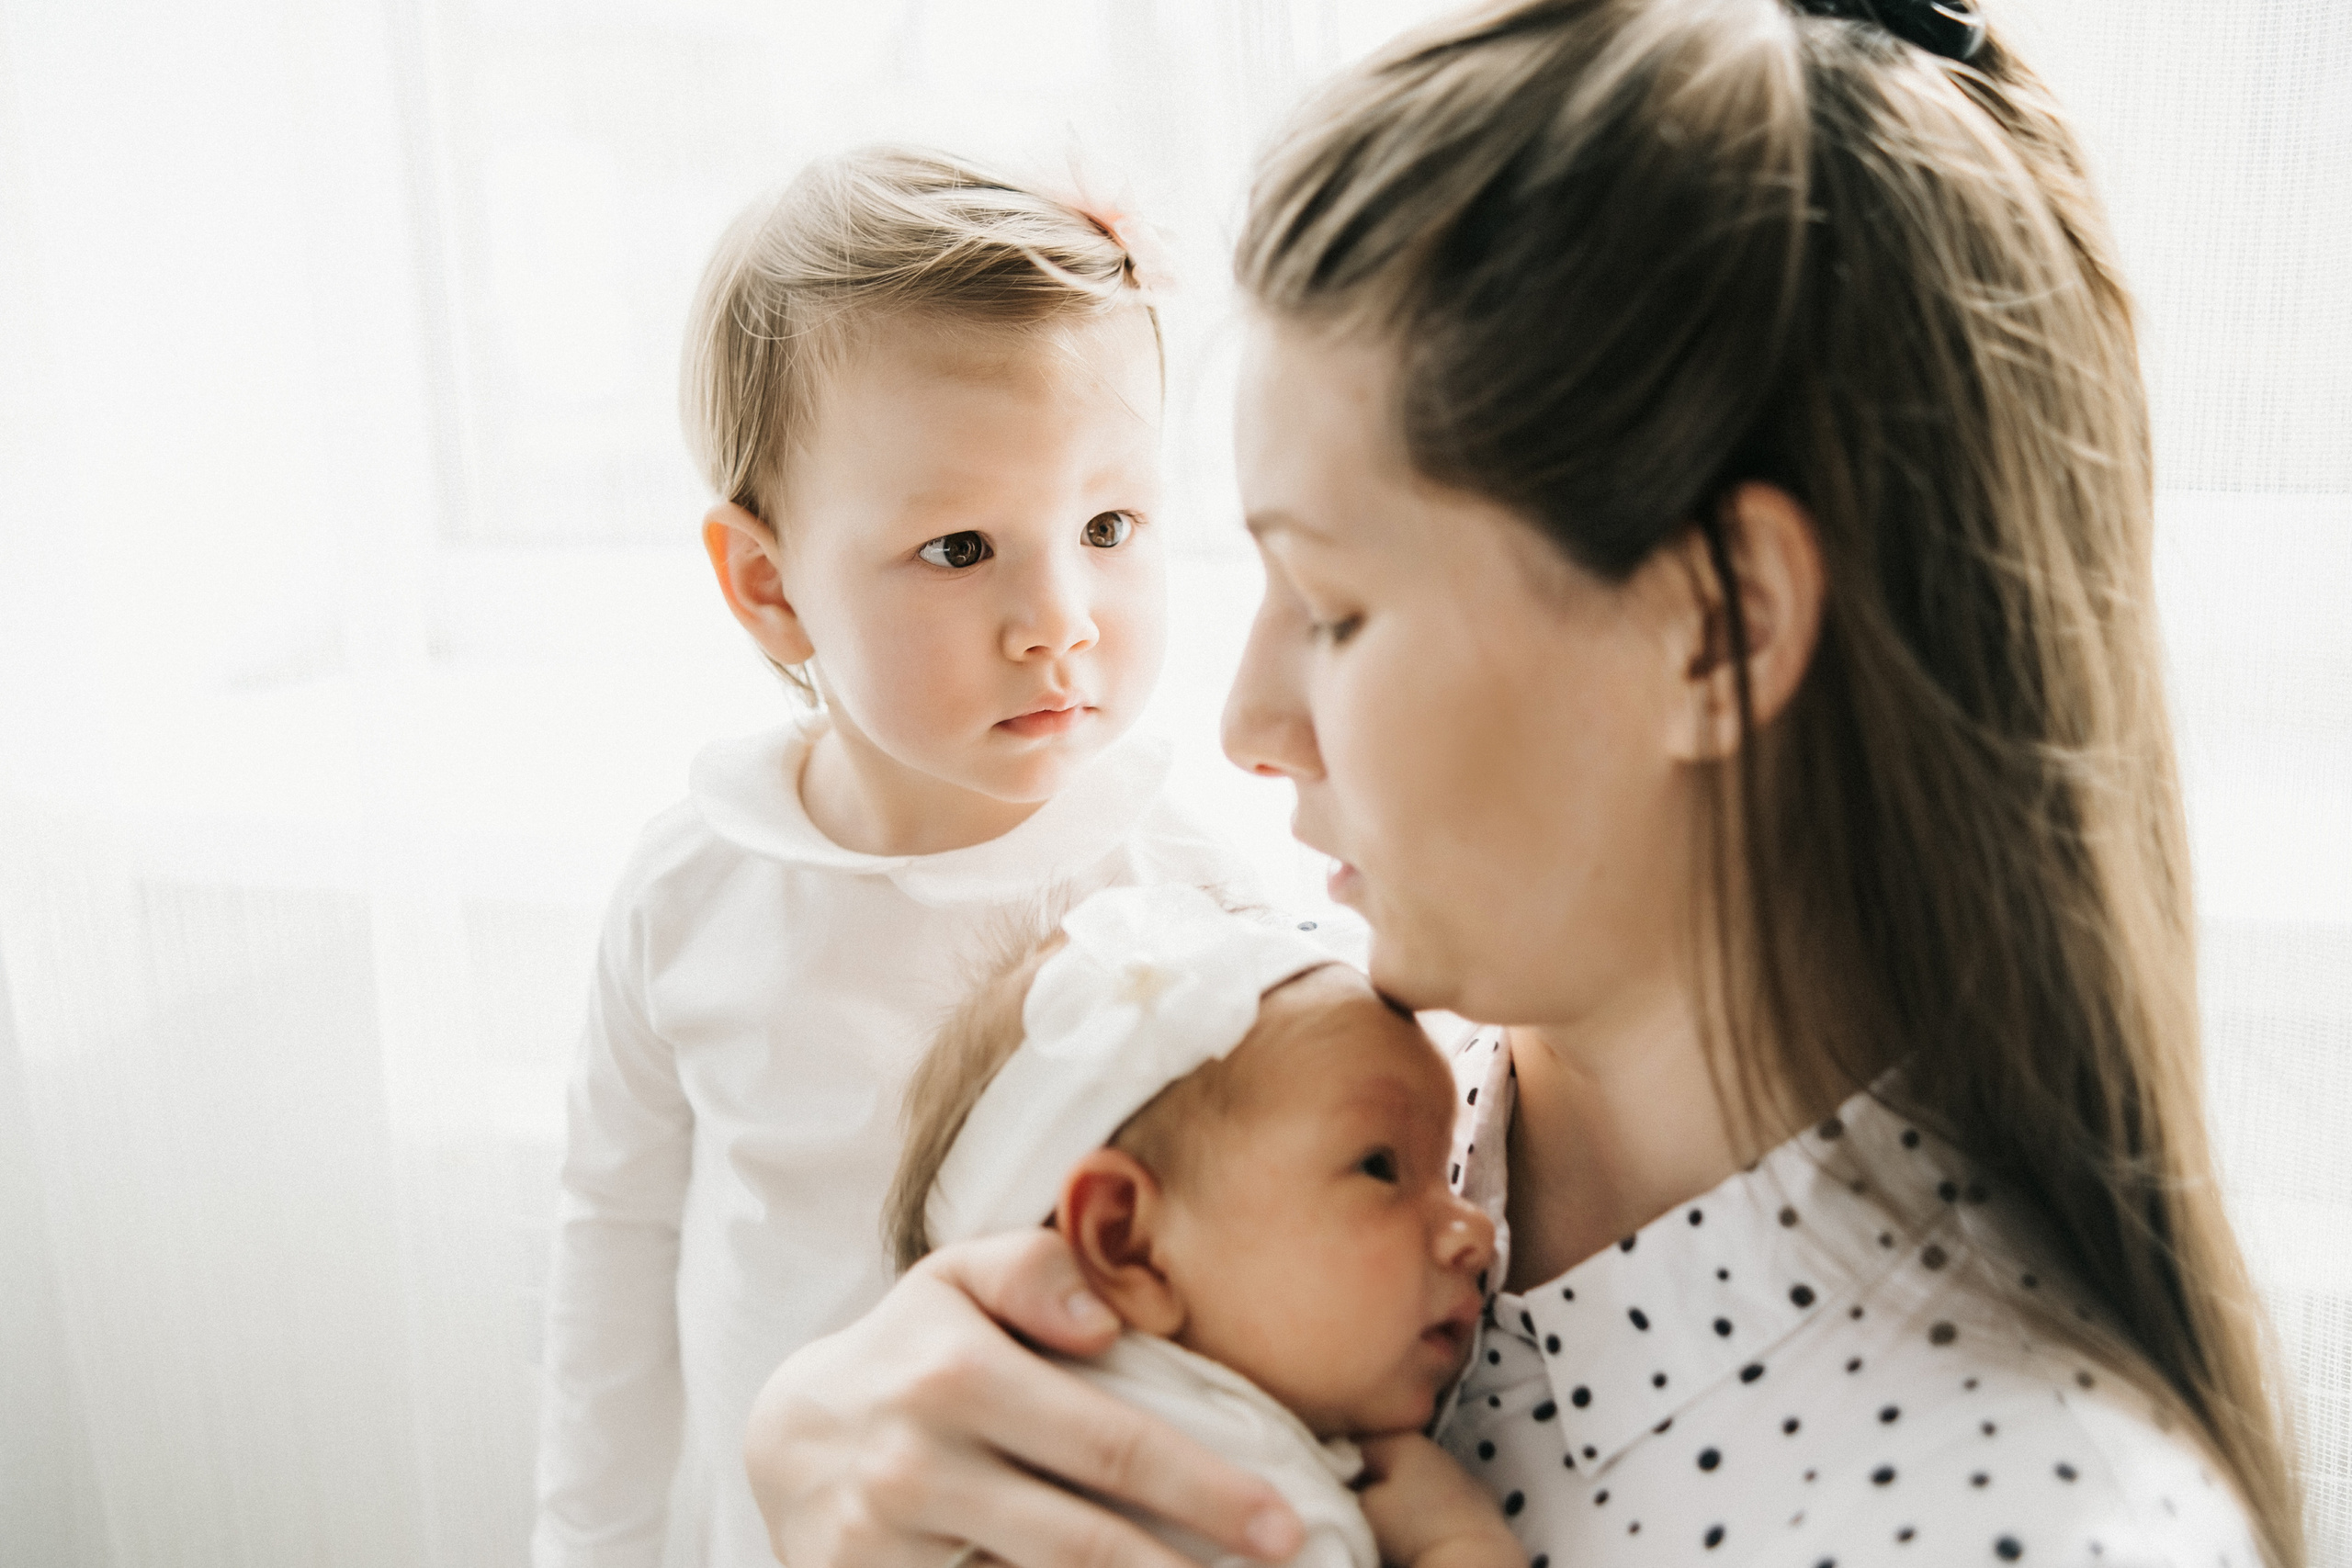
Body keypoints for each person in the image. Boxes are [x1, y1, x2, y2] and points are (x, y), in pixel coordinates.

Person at [737, 3, 2309, 1567]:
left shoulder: (2022, 1521)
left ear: (1713, 626)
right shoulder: (1278, 1109)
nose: (1246, 721)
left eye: (1335, 607)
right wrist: (812, 1452)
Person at [533, 146, 1247, 1568]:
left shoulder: (1191, 902)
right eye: (962, 546)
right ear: (770, 586)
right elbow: (613, 1249)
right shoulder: (690, 896)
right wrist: (585, 1542)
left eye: (1108, 526)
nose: (1061, 616)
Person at [885, 882, 1517, 1568]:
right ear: (1127, 1242)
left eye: (1444, 1168)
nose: (1476, 1231)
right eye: (1380, 1167)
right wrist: (1461, 1545)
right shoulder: (1222, 1498)